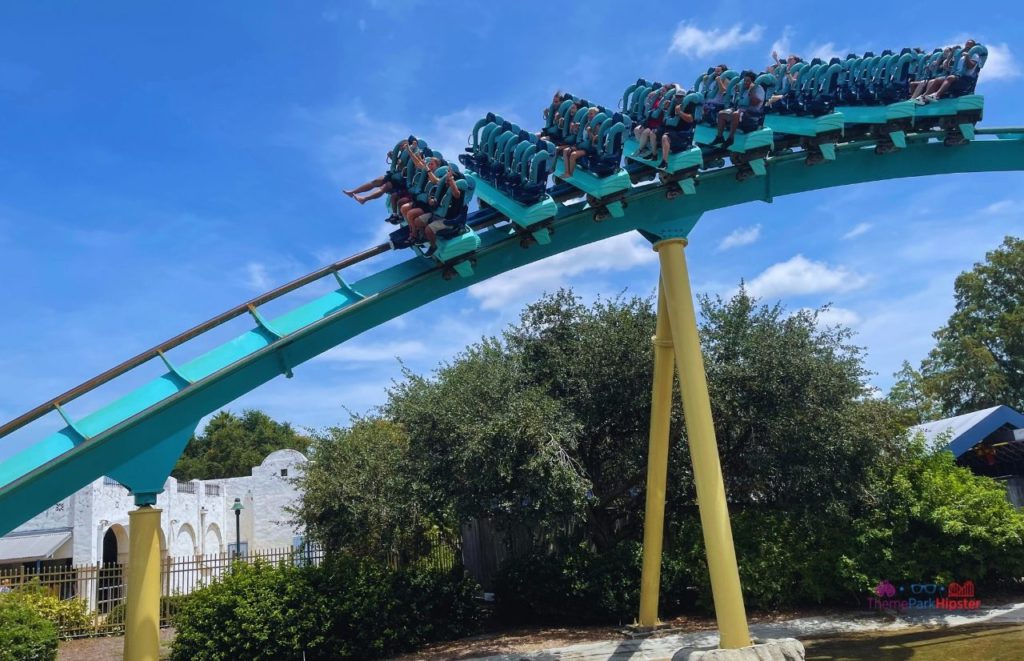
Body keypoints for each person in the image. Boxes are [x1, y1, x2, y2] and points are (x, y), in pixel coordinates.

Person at [411, 168, 469, 257]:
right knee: (417, 221)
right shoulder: (443, 187)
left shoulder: (458, 191)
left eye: (449, 179)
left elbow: (456, 194)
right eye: (447, 179)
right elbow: (435, 197)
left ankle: (433, 246)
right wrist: (431, 201)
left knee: (429, 229)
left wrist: (451, 181)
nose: (446, 181)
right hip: (436, 214)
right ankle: (425, 237)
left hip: (449, 220)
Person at [344, 137, 417, 204]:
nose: (401, 147)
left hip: (403, 179)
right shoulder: (403, 153)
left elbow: (406, 165)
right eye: (401, 145)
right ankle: (353, 192)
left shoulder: (412, 152)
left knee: (385, 187)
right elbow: (399, 162)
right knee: (376, 181)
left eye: (403, 145)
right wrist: (393, 157)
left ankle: (364, 199)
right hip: (395, 174)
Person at [709, 71, 765, 149]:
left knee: (736, 114)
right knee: (721, 114)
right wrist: (736, 93)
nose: (745, 82)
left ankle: (730, 139)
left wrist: (751, 91)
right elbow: (734, 101)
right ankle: (719, 137)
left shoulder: (758, 89)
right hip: (740, 112)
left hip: (751, 117)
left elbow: (755, 103)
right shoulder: (742, 88)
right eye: (744, 80)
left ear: (752, 82)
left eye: (748, 81)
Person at [916, 39, 980, 104]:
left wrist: (967, 57)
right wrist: (952, 52)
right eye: (967, 45)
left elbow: (970, 66)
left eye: (970, 45)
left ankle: (937, 95)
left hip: (965, 79)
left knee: (950, 78)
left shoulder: (974, 55)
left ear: (973, 47)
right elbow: (948, 66)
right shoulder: (961, 55)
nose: (967, 47)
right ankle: (923, 98)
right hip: (956, 76)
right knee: (937, 80)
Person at [656, 98, 697, 169]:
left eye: (680, 97)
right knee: (654, 132)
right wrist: (666, 109)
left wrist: (679, 112)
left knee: (665, 137)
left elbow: (690, 119)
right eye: (677, 96)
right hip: (673, 131)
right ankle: (653, 154)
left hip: (682, 135)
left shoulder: (688, 106)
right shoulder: (673, 106)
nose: (678, 98)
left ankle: (664, 162)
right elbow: (665, 120)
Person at [562, 107, 600, 177]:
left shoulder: (597, 126)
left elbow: (596, 141)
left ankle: (570, 174)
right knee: (565, 151)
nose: (589, 116)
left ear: (596, 116)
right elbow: (579, 135)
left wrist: (590, 133)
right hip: (581, 145)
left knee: (573, 155)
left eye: (591, 114)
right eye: (588, 114)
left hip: (589, 149)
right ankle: (566, 172)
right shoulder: (586, 124)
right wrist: (575, 129)